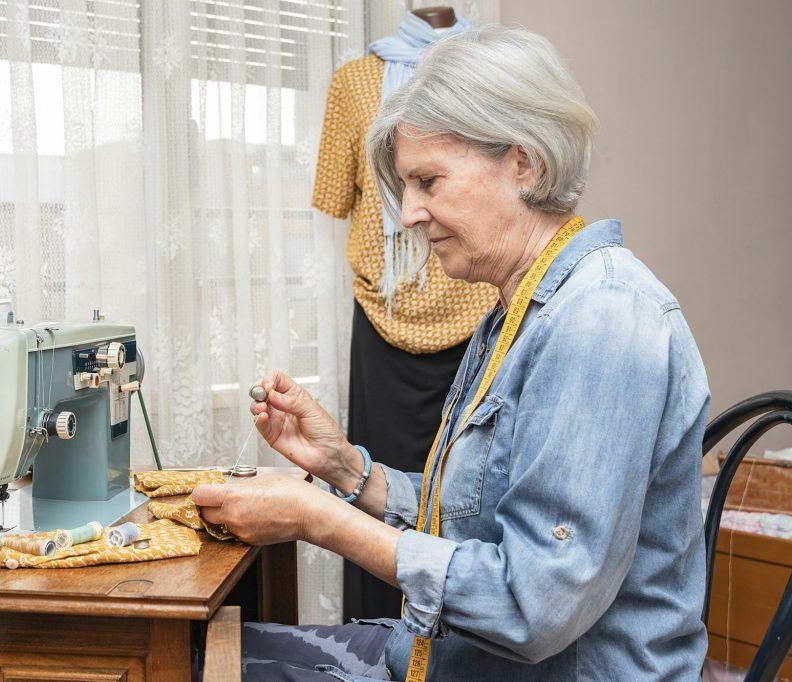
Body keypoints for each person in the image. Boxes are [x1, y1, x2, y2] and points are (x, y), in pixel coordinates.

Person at [193, 24, 709, 681]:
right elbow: (479, 520)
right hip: (462, 662)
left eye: (428, 181)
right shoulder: (518, 308)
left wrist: (316, 518)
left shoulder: (602, 320)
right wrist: (349, 471)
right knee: (215, 653)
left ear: (525, 163)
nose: (407, 212)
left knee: (194, 663)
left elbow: (532, 605)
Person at [312, 6, 500, 623]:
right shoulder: (354, 81)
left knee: (473, 501)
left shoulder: (493, 74)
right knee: (372, 501)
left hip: (478, 314)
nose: (413, 208)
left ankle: (460, 657)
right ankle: (376, 647)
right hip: (384, 319)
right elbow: (339, 197)